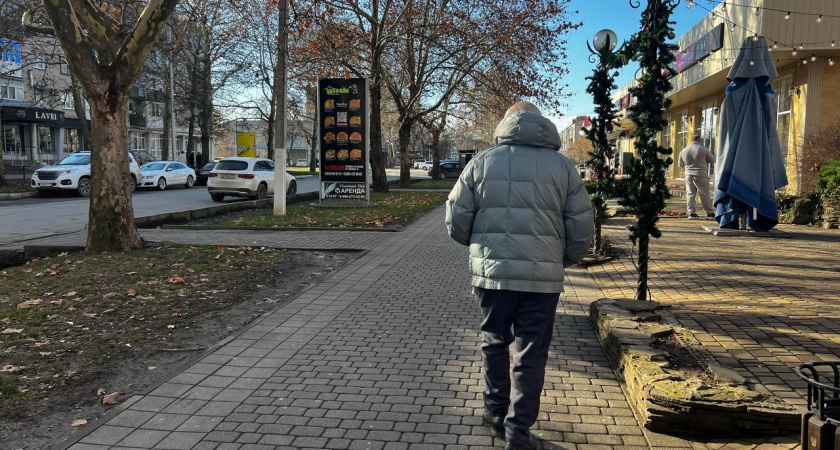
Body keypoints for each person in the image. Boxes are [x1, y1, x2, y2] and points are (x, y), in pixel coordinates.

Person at [445, 102, 594, 450]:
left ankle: (495, 411)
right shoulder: (563, 167)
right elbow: (582, 222)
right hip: (542, 280)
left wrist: (478, 246)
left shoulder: (482, 161)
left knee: (494, 340)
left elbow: (455, 217)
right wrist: (565, 258)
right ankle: (518, 432)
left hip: (492, 276)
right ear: (542, 125)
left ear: (507, 123)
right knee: (531, 353)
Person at [679, 135, 716, 219]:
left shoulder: (684, 150)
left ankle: (691, 213)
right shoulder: (704, 149)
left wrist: (688, 169)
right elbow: (712, 160)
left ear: (691, 140)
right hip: (701, 174)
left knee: (690, 194)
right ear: (699, 140)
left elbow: (680, 164)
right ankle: (709, 213)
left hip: (689, 175)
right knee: (704, 193)